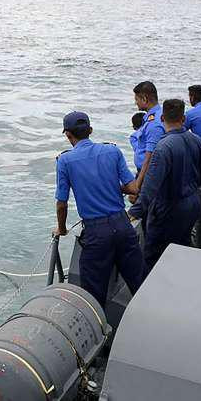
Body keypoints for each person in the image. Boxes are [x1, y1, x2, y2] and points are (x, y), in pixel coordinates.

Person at [55, 111, 145, 307]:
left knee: (93, 297)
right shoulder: (112, 151)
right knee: (139, 284)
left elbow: (61, 203)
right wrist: (114, 188)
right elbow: (133, 189)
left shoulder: (65, 161)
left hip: (96, 234)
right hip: (123, 226)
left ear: (68, 135)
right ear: (91, 131)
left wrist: (61, 229)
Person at [127, 99, 201, 270]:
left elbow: (150, 189)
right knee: (182, 247)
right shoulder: (198, 140)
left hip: (168, 210)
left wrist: (133, 213)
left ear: (162, 117)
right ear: (184, 118)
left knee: (153, 254)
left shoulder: (163, 148)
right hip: (192, 205)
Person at [132, 81, 166, 190]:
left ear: (145, 99)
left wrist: (138, 184)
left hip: (148, 175)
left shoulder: (154, 124)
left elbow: (150, 157)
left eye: (137, 99)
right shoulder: (157, 115)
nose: (135, 103)